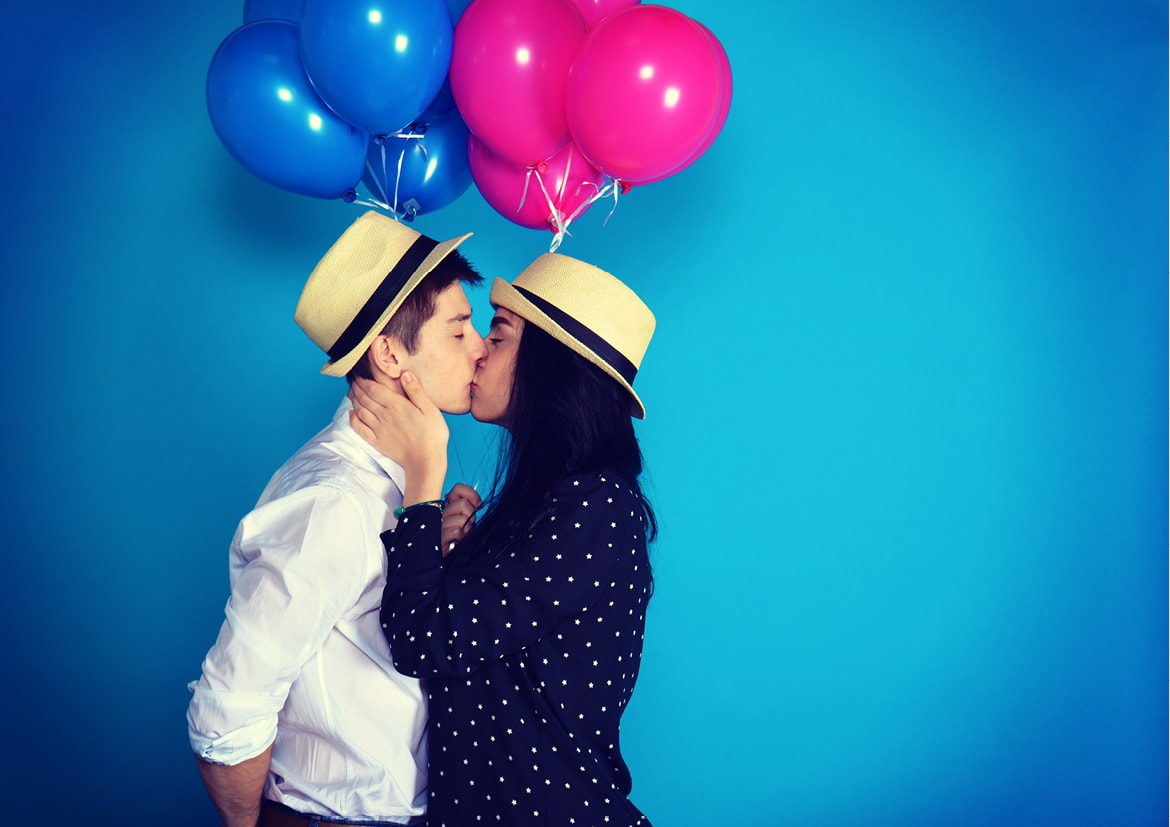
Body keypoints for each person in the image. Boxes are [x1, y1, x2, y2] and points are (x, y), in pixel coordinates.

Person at [186, 210, 488, 827]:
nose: (480, 348)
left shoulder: (400, 485)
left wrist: (438, 543)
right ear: (388, 354)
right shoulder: (335, 500)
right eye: (459, 332)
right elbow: (227, 712)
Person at [349, 252, 658, 826]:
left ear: (553, 367)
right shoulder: (547, 505)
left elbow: (420, 641)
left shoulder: (597, 508)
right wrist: (444, 555)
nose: (479, 351)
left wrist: (422, 480)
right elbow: (471, 647)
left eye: (499, 332)